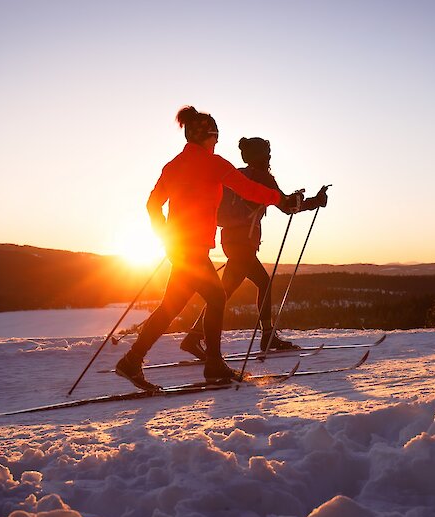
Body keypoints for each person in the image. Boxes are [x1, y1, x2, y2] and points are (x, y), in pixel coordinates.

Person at [115, 107, 299, 389]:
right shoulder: (213, 164)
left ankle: (131, 361)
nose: (217, 142)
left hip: (179, 248)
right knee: (216, 298)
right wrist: (281, 199)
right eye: (215, 136)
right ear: (208, 136)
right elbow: (249, 189)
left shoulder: (173, 165)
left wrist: (164, 234)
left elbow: (152, 204)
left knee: (170, 307)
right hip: (192, 250)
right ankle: (213, 365)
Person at [179, 137, 329, 361]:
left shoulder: (238, 174)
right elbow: (287, 206)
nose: (269, 157)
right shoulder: (264, 178)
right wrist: (315, 201)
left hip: (229, 240)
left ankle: (196, 336)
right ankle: (264, 336)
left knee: (225, 291)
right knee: (249, 287)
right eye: (267, 153)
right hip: (244, 244)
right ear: (262, 156)